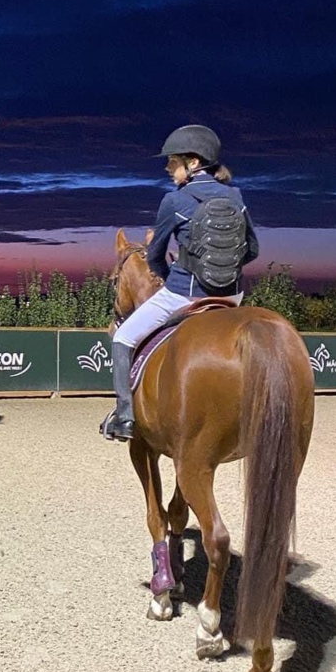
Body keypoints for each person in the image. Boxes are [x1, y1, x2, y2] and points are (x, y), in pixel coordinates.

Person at [101, 124, 260, 442]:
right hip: (233, 296)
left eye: (172, 161)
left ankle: (125, 417)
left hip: (183, 295)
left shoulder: (174, 201)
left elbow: (156, 255)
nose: (167, 167)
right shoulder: (236, 196)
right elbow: (253, 250)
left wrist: (166, 273)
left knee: (123, 338)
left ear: (194, 162)